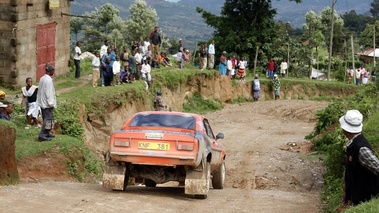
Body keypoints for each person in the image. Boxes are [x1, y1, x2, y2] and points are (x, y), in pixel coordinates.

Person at [339, 110, 379, 206]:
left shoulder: (361, 149)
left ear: (346, 129)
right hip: (356, 197)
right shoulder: (353, 144)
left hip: (364, 199)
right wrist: (347, 194)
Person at [37, 65, 57, 142]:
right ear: (51, 71)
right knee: (47, 119)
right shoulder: (48, 80)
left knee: (49, 119)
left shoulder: (42, 78)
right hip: (47, 103)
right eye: (53, 71)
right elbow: (48, 92)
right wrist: (51, 103)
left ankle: (47, 132)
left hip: (43, 102)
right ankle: (42, 135)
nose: (53, 72)